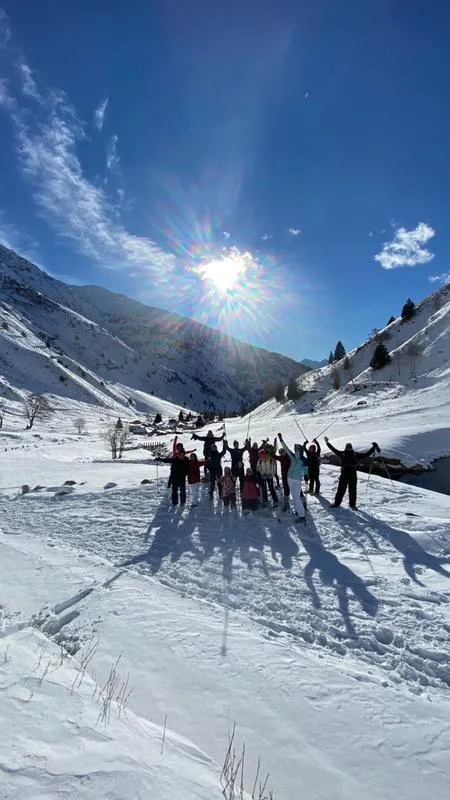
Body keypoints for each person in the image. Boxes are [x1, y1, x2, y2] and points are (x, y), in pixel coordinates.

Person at [324, 437, 380, 509]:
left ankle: (352, 505)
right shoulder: (342, 454)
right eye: (347, 447)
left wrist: (373, 447)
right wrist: (327, 443)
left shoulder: (356, 454)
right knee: (341, 490)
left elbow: (367, 454)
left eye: (349, 447)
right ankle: (337, 503)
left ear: (351, 448)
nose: (349, 448)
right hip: (344, 474)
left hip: (352, 475)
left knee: (353, 491)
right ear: (346, 448)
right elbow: (333, 449)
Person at [277, 434, 307, 522]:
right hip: (289, 478)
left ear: (300, 449)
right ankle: (297, 511)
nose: (296, 450)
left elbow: (306, 468)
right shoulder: (292, 456)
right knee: (294, 497)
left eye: (297, 448)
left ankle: (302, 516)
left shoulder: (303, 459)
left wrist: (306, 474)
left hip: (297, 479)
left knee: (297, 497)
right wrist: (281, 440)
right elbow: (286, 448)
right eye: (295, 448)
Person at [274, 446, 291, 511]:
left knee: (293, 489)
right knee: (286, 489)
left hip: (290, 476)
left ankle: (302, 502)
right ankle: (286, 503)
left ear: (285, 451)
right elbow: (275, 457)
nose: (281, 453)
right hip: (284, 475)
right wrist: (270, 453)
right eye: (280, 452)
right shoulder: (281, 458)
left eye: (282, 452)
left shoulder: (289, 457)